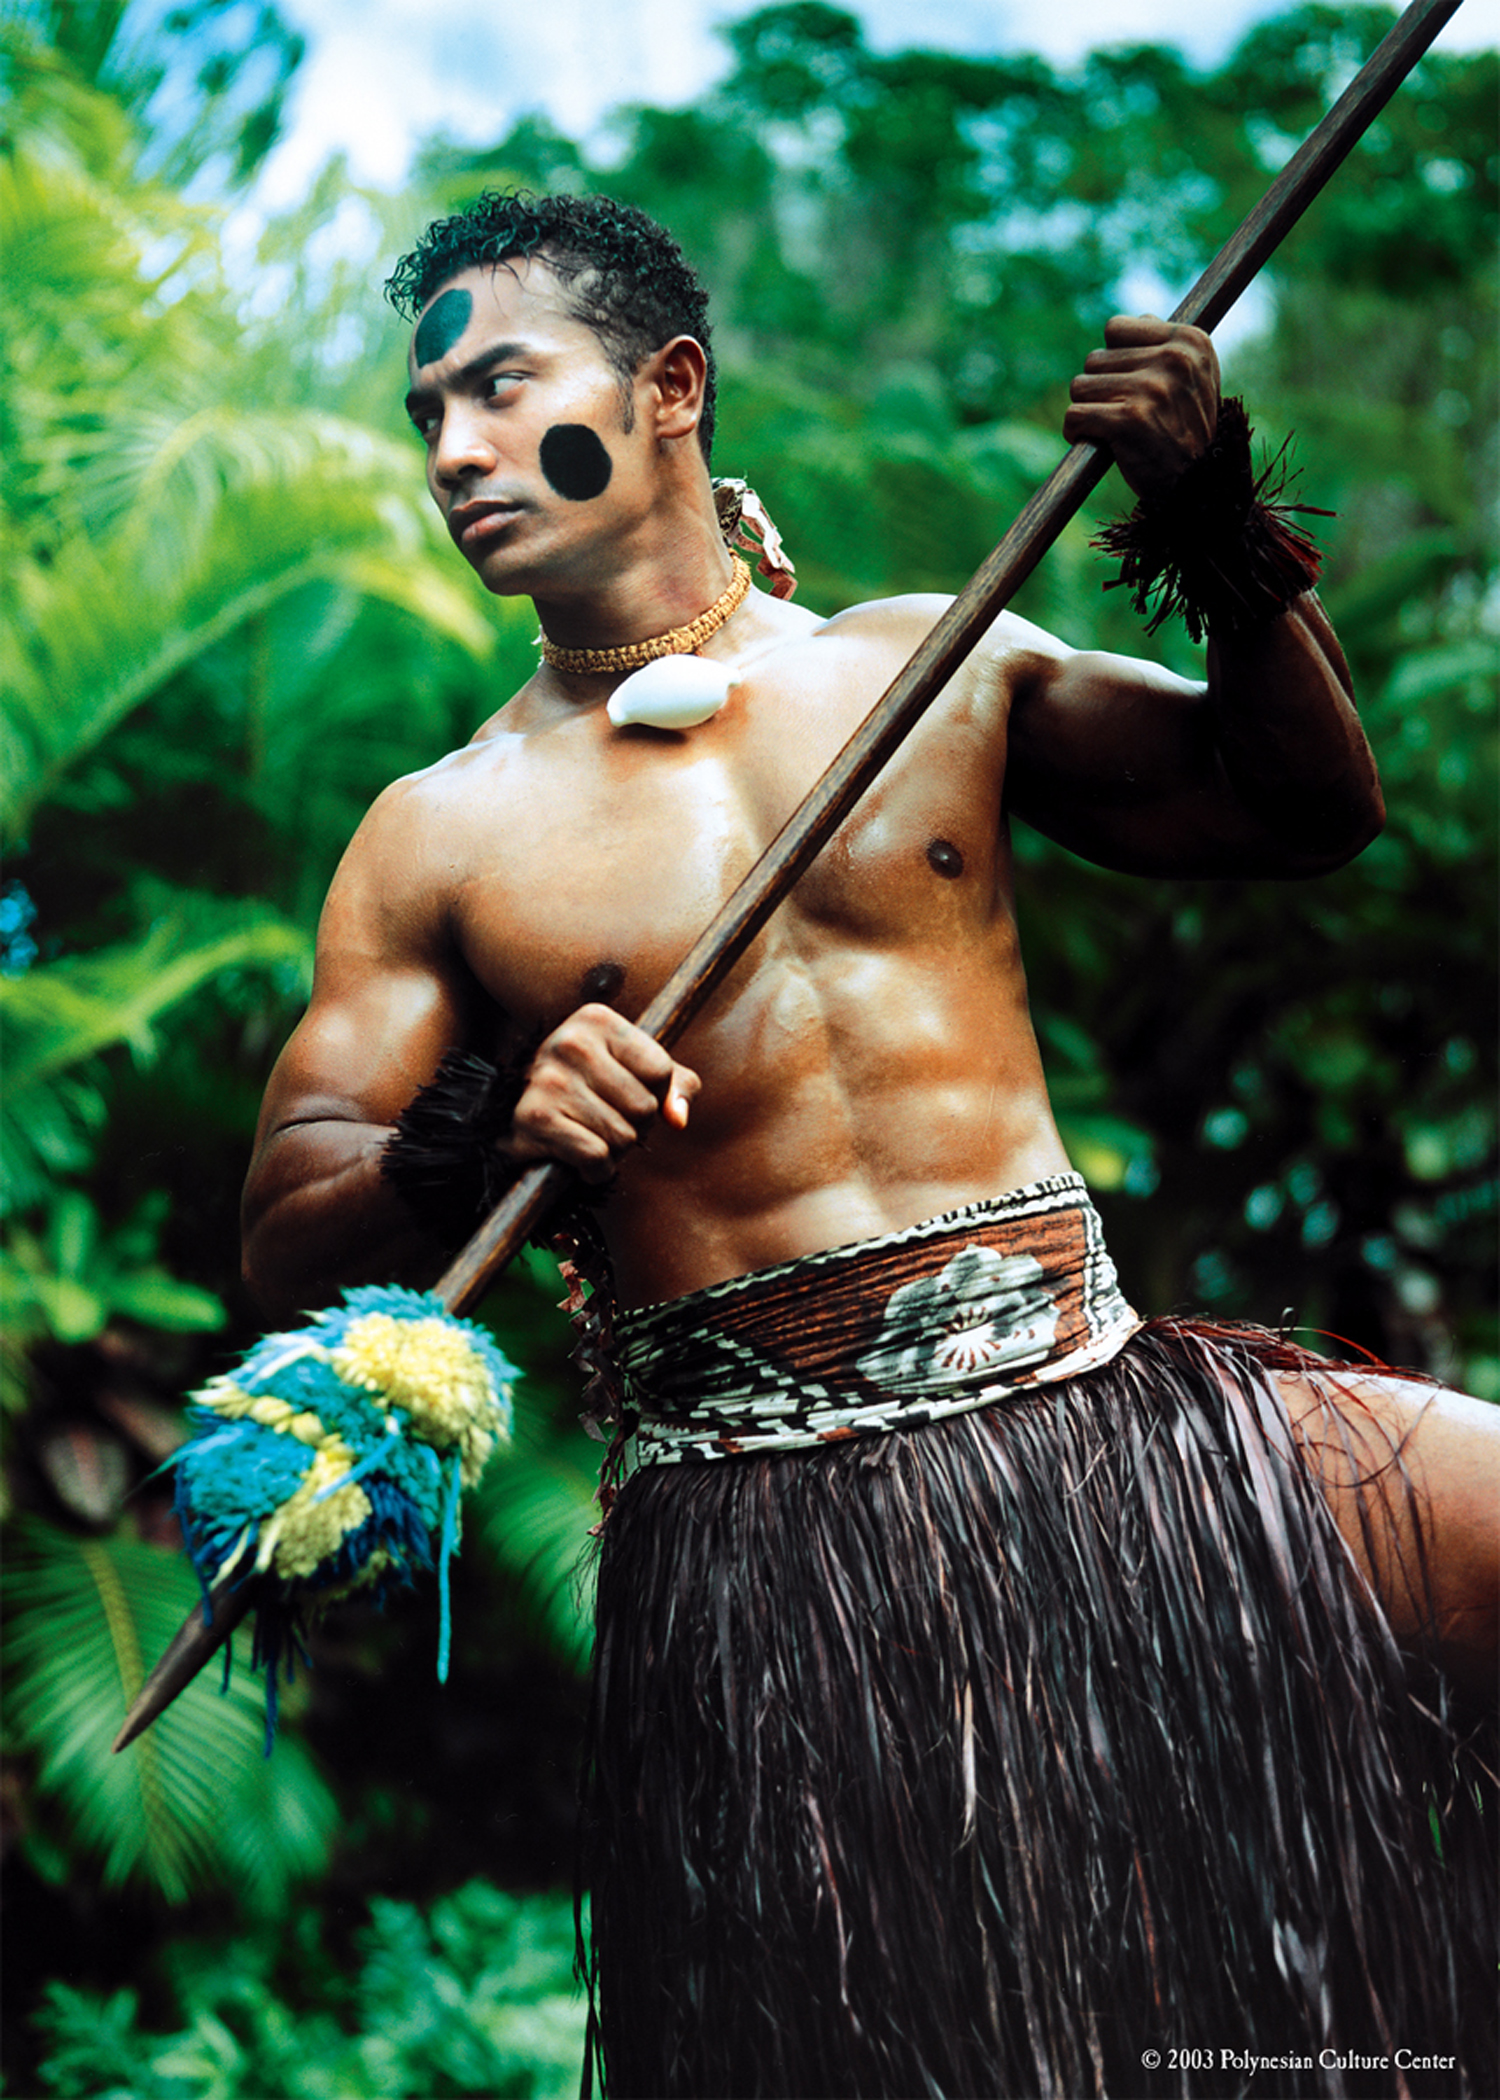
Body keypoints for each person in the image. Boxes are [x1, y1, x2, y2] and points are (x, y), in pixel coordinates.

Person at [241, 191, 1496, 2098]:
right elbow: (281, 1231)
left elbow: (1295, 805)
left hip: (1114, 1423)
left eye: (499, 389)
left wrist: (1219, 524)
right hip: (777, 1544)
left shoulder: (933, 663)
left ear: (670, 389)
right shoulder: (440, 832)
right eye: (431, 417)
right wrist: (478, 1137)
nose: (454, 454)